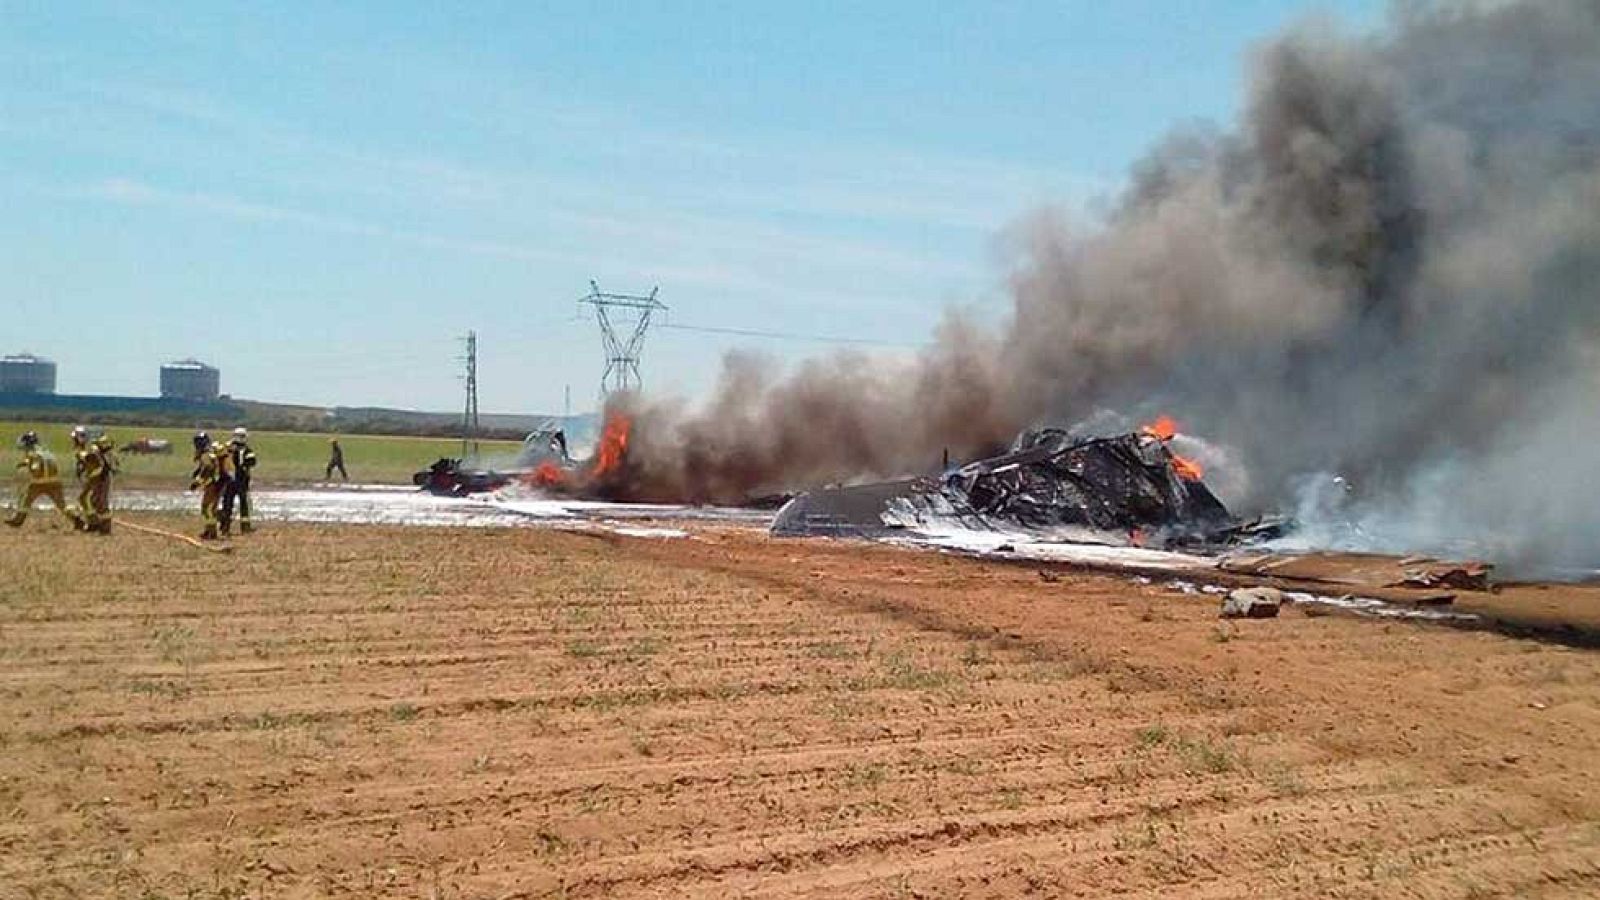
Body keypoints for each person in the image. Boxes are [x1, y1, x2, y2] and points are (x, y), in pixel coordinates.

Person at [6, 431, 83, 529]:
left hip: (39, 482)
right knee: (62, 505)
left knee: (26, 499)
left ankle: (18, 520)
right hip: (55, 482)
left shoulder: (32, 453)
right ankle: (77, 520)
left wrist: (29, 467)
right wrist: (25, 463)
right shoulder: (45, 451)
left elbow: (36, 468)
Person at [71, 426, 117, 534]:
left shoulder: (91, 449)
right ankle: (93, 522)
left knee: (99, 502)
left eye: (75, 438)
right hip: (93, 477)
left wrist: (85, 459)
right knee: (84, 499)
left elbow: (98, 463)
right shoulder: (83, 449)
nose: (74, 441)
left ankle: (105, 526)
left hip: (101, 478)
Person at [189, 431, 233, 540]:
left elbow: (208, 468)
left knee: (206, 508)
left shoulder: (206, 454)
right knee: (211, 509)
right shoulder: (212, 452)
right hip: (219, 483)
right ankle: (210, 530)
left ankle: (213, 529)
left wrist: (197, 482)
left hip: (213, 484)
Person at [222, 427, 258, 533]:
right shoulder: (246, 450)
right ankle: (245, 527)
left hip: (228, 479)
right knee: (244, 503)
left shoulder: (226, 448)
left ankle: (225, 527)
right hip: (241, 480)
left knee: (227, 503)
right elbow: (252, 462)